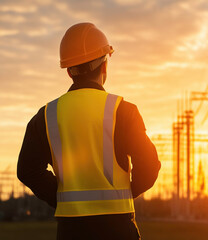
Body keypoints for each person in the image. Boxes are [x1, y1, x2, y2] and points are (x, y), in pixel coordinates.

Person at [17, 22, 161, 240]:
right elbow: (150, 165)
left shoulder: (46, 116)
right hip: (118, 229)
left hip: (71, 231)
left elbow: (27, 170)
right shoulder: (123, 111)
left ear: (69, 71)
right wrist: (128, 192)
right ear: (104, 66)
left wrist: (61, 197)